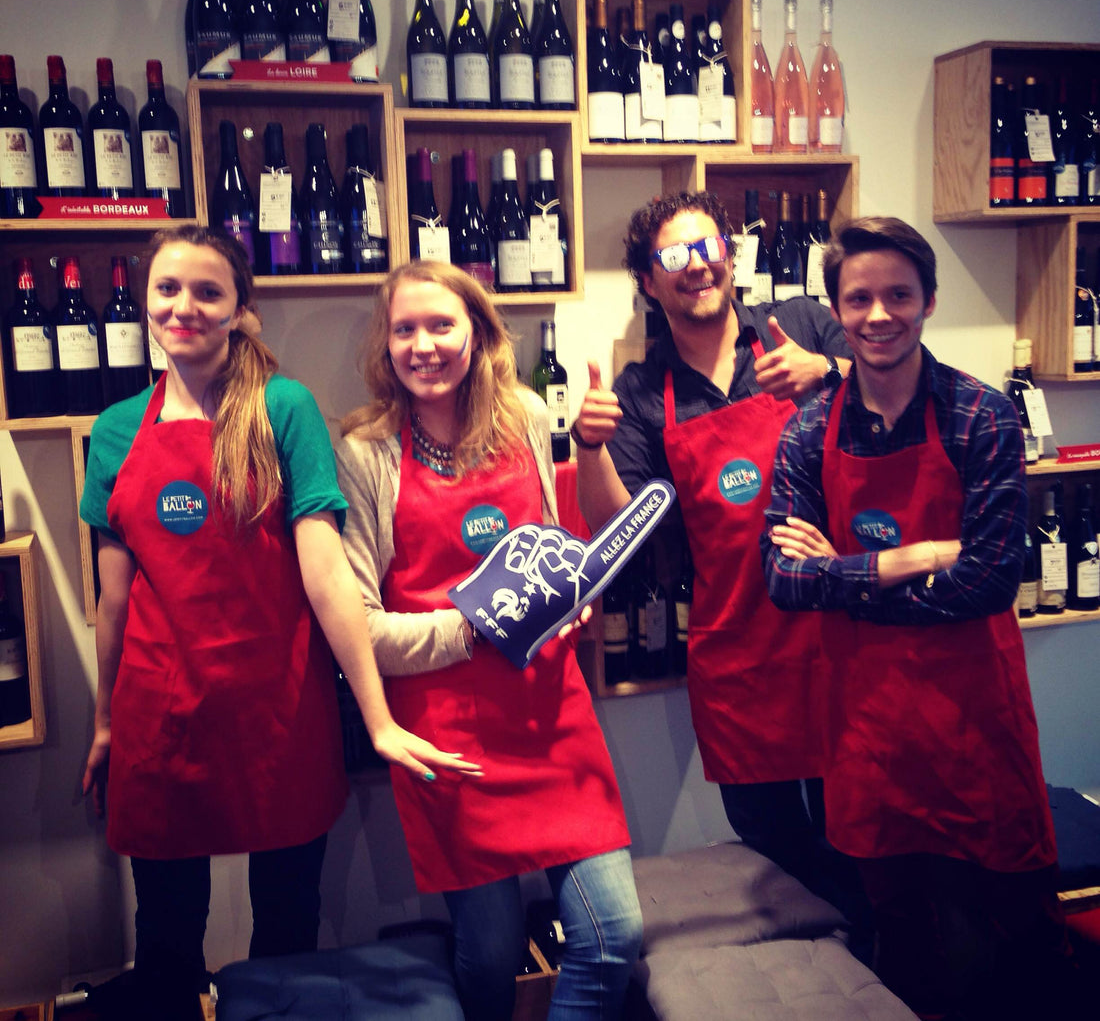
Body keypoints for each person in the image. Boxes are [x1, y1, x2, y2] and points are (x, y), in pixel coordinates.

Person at [79, 227, 478, 1020]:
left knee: (290, 926)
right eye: (167, 290)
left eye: (208, 292)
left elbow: (327, 575)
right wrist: (102, 724)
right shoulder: (117, 428)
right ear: (145, 301)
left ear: (239, 309)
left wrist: (377, 717)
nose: (184, 307)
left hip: (280, 712)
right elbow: (113, 601)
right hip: (161, 714)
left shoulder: (283, 408)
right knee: (165, 937)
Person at [762, 216, 1080, 1020]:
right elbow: (785, 580)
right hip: (868, 734)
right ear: (837, 310)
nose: (879, 315)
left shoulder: (981, 416)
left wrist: (841, 573)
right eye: (859, 298)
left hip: (976, 724)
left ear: (928, 301)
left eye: (898, 295)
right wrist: (909, 558)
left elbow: (988, 582)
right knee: (903, 943)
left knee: (1020, 938)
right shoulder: (807, 432)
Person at [335, 260, 642, 1021]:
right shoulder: (367, 451)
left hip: (551, 715)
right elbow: (361, 628)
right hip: (448, 737)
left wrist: (567, 602)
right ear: (385, 344)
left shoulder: (528, 416)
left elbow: (558, 548)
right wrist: (478, 628)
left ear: (476, 333)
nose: (424, 346)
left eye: (442, 325)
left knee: (613, 937)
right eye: (405, 329)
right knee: (493, 952)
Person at [574, 191, 866, 934]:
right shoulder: (643, 391)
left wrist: (831, 370)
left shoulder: (802, 326)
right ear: (649, 280)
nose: (696, 265)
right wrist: (590, 447)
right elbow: (617, 526)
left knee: (862, 848)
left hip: (842, 636)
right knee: (776, 867)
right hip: (742, 655)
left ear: (730, 256)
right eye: (674, 255)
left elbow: (906, 387)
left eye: (707, 247)